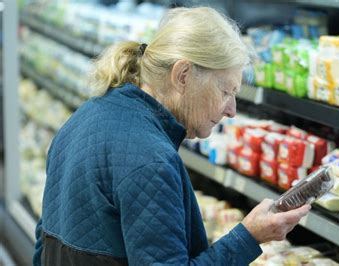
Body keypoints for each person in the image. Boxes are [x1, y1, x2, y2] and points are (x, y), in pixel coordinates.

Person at [33, 7, 311, 266]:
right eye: (226, 91)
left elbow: (44, 237)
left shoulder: (85, 116)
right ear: (183, 75)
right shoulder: (151, 161)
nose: (232, 110)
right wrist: (249, 237)